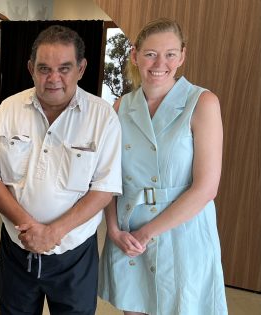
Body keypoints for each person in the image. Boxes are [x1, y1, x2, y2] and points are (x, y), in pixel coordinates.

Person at [0, 25, 122, 314]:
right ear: (31, 68)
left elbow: (104, 189)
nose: (53, 78)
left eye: (64, 68)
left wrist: (54, 232)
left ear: (81, 68)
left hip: (74, 255)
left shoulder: (102, 116)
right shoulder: (9, 109)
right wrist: (30, 228)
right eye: (44, 68)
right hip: (17, 249)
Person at [98, 18, 228, 315]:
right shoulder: (122, 106)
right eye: (150, 53)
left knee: (181, 306)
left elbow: (206, 188)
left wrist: (148, 233)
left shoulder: (203, 102)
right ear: (135, 55)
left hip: (182, 230)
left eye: (170, 54)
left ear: (182, 56)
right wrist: (114, 230)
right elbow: (109, 177)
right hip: (128, 229)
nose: (160, 63)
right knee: (134, 308)